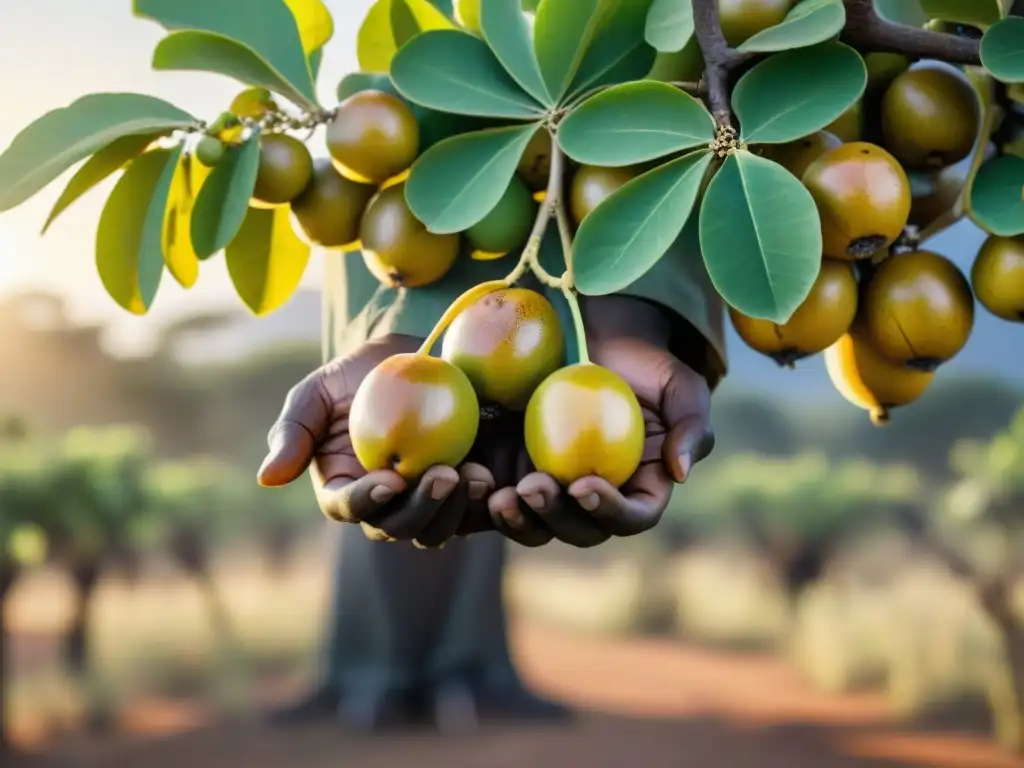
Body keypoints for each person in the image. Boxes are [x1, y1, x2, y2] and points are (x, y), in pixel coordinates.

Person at [257, 220, 727, 729]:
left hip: (529, 302)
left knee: (454, 490)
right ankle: (381, 669)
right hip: (421, 264)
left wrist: (629, 315)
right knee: (430, 494)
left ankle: (456, 667)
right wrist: (403, 320)